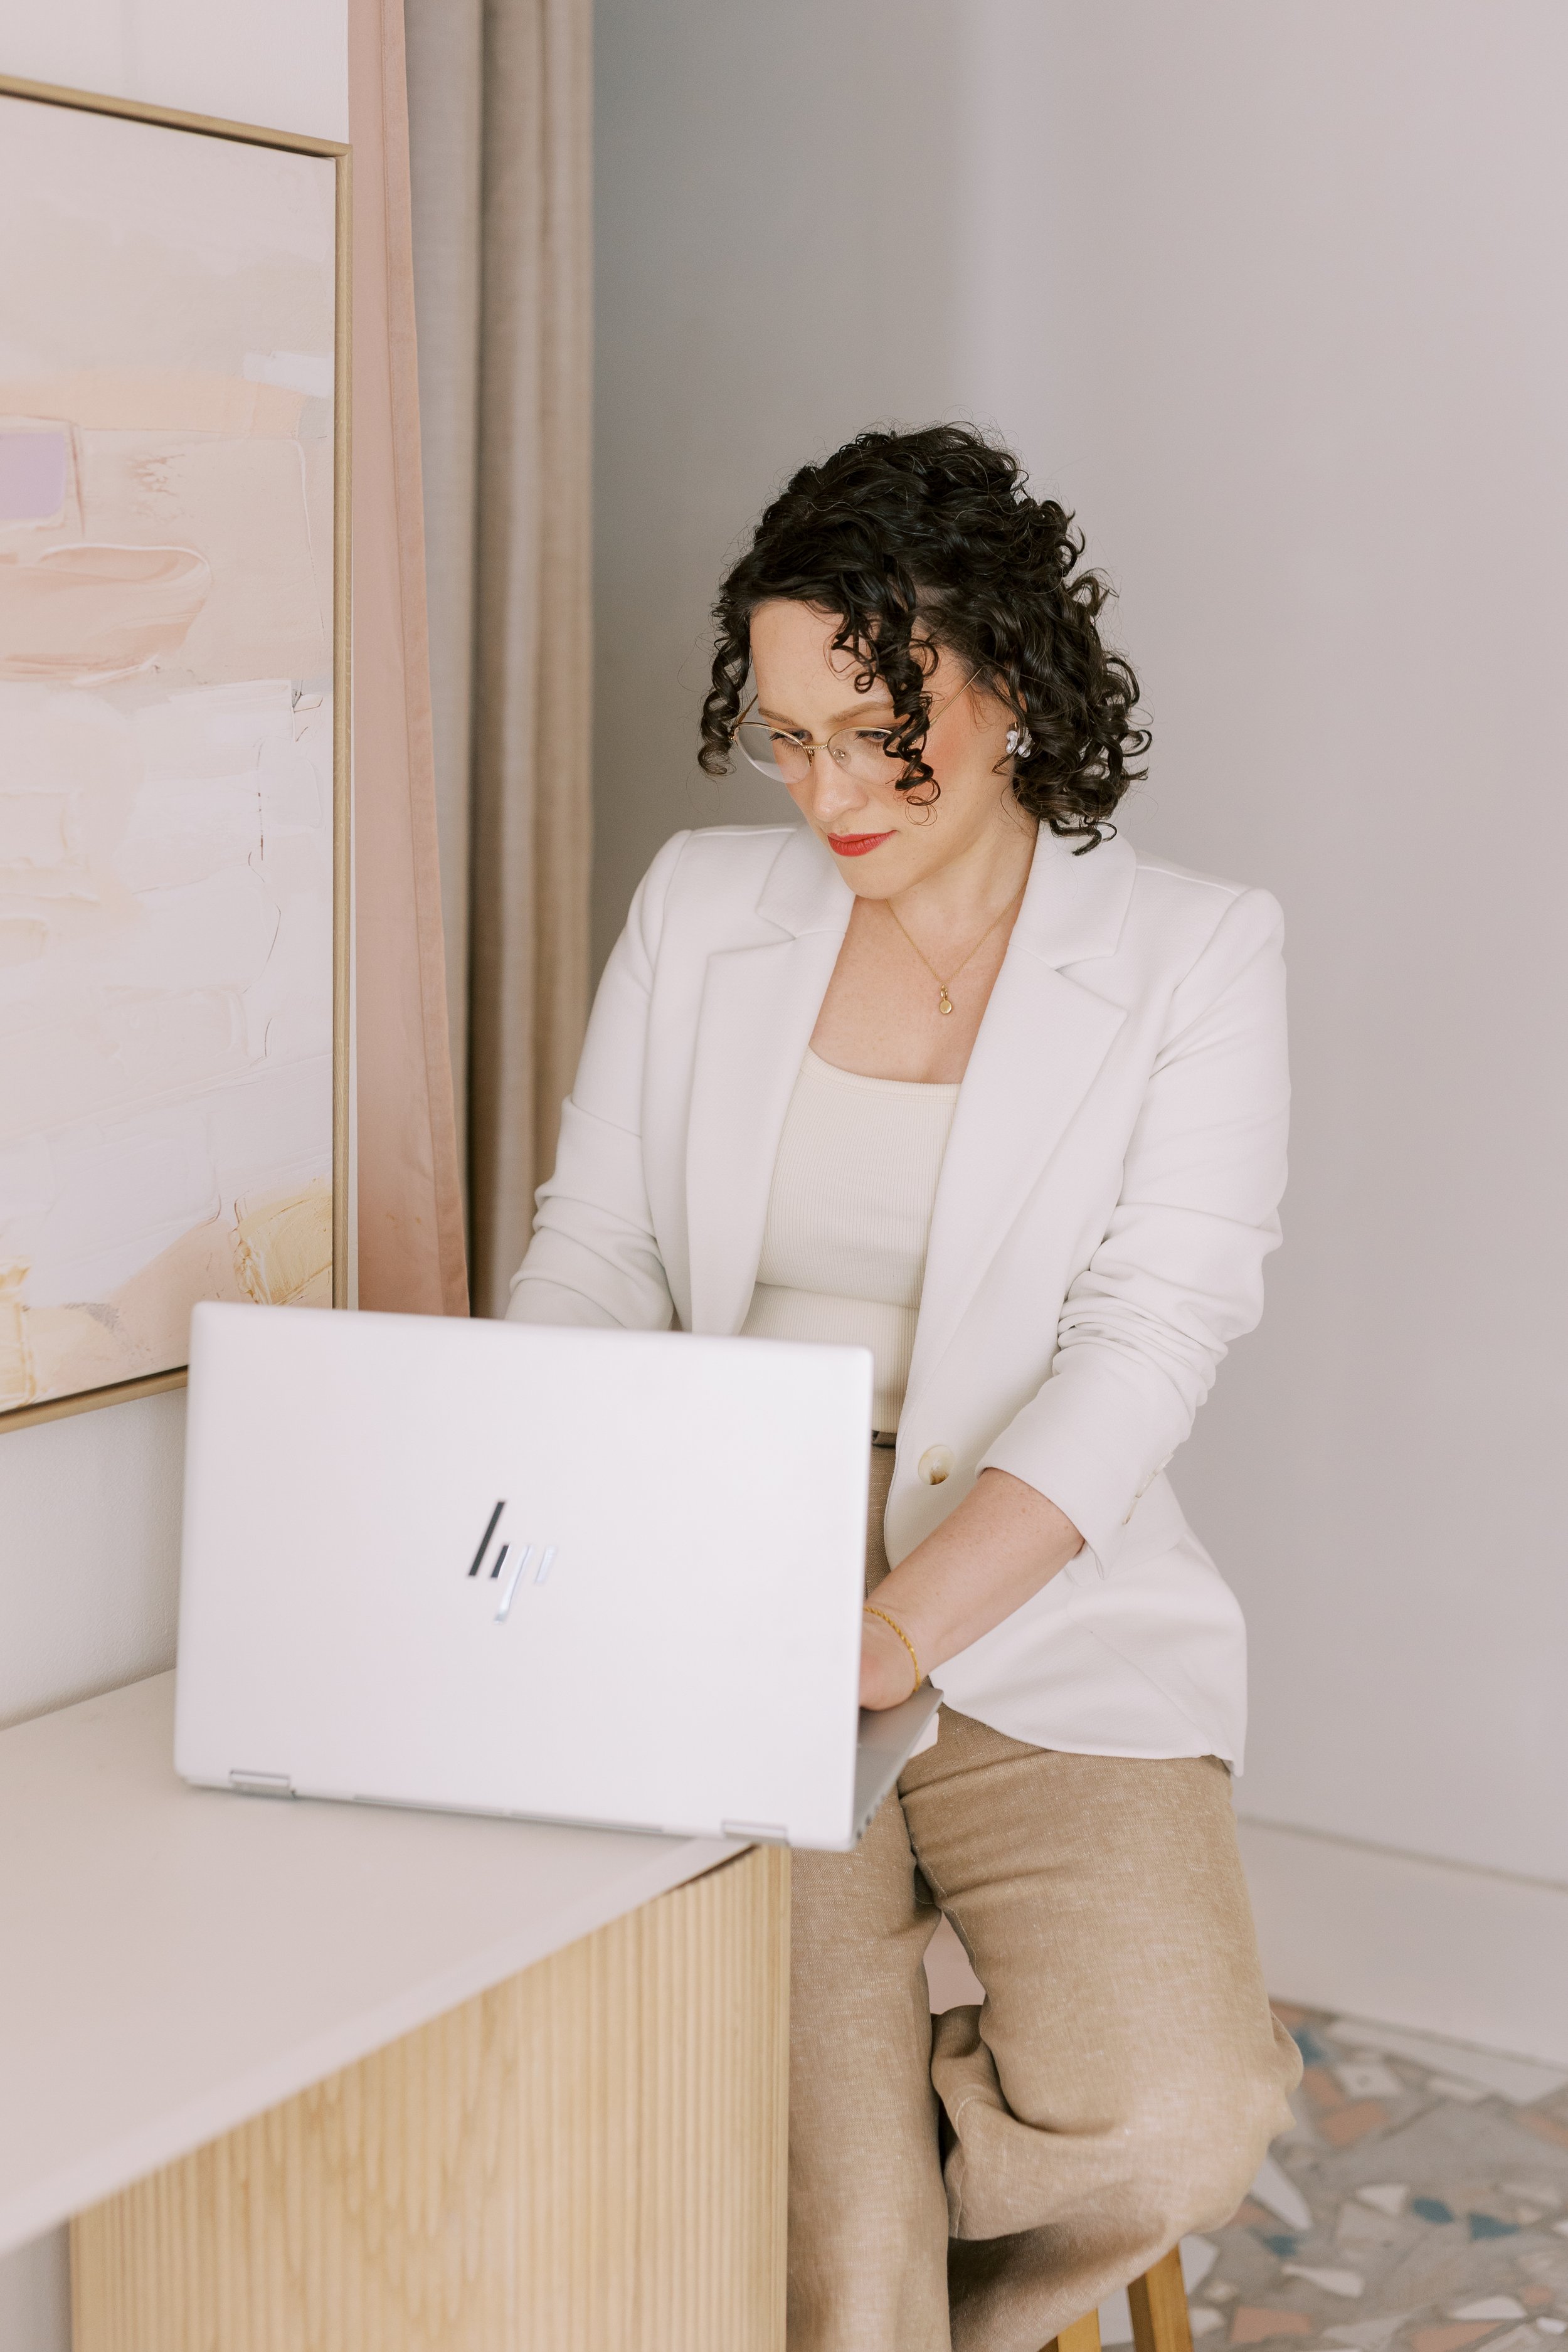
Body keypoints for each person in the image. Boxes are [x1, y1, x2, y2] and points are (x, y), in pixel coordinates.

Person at [507, 422, 1301, 2352]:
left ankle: (834, 2296)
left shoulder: (1193, 952)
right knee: (829, 2215)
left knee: (1175, 2115)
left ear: (1011, 683)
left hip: (1024, 1578)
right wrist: (546, 1512)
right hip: (717, 1563)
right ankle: (825, 2276)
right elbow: (597, 1251)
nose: (830, 793)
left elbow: (1145, 1342)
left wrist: (890, 1634)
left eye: (883, 734)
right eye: (786, 739)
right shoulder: (702, 916)